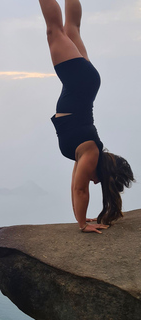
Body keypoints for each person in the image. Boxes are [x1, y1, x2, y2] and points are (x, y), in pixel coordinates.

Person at [39, 0, 135, 233]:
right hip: (79, 81)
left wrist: (81, 220)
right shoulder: (91, 153)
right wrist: (83, 225)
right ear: (104, 170)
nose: (94, 181)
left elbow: (75, 187)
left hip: (85, 82)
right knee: (54, 30)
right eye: (99, 179)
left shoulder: (86, 153)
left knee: (72, 29)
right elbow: (81, 190)